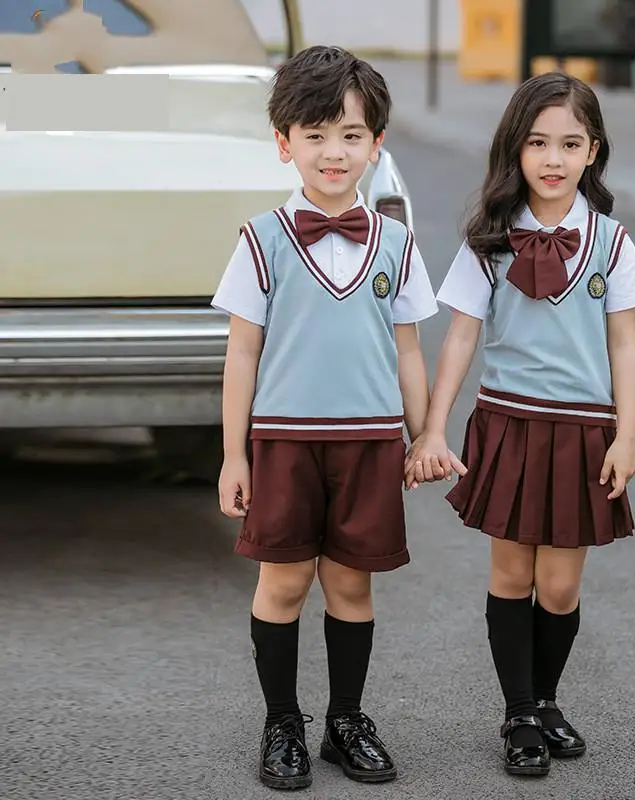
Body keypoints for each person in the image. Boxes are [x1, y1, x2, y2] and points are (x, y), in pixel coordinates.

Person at [405, 72, 635, 777]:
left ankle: (547, 700)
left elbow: (625, 344)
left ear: (592, 152)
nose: (553, 158)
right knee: (513, 574)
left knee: (561, 587)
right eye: (538, 142)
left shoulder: (610, 243)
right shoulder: (490, 241)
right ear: (515, 150)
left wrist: (628, 435)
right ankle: (518, 713)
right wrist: (433, 429)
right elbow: (459, 338)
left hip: (584, 431)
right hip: (511, 423)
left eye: (570, 144)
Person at [211, 45, 438, 791]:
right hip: (283, 441)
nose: (333, 152)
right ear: (284, 144)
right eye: (314, 134)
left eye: (350, 135)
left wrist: (425, 432)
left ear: (377, 144)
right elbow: (242, 355)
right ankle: (283, 723)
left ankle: (346, 720)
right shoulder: (262, 241)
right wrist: (234, 455)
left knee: (351, 587)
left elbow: (408, 350)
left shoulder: (397, 245)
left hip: (371, 441)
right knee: (281, 585)